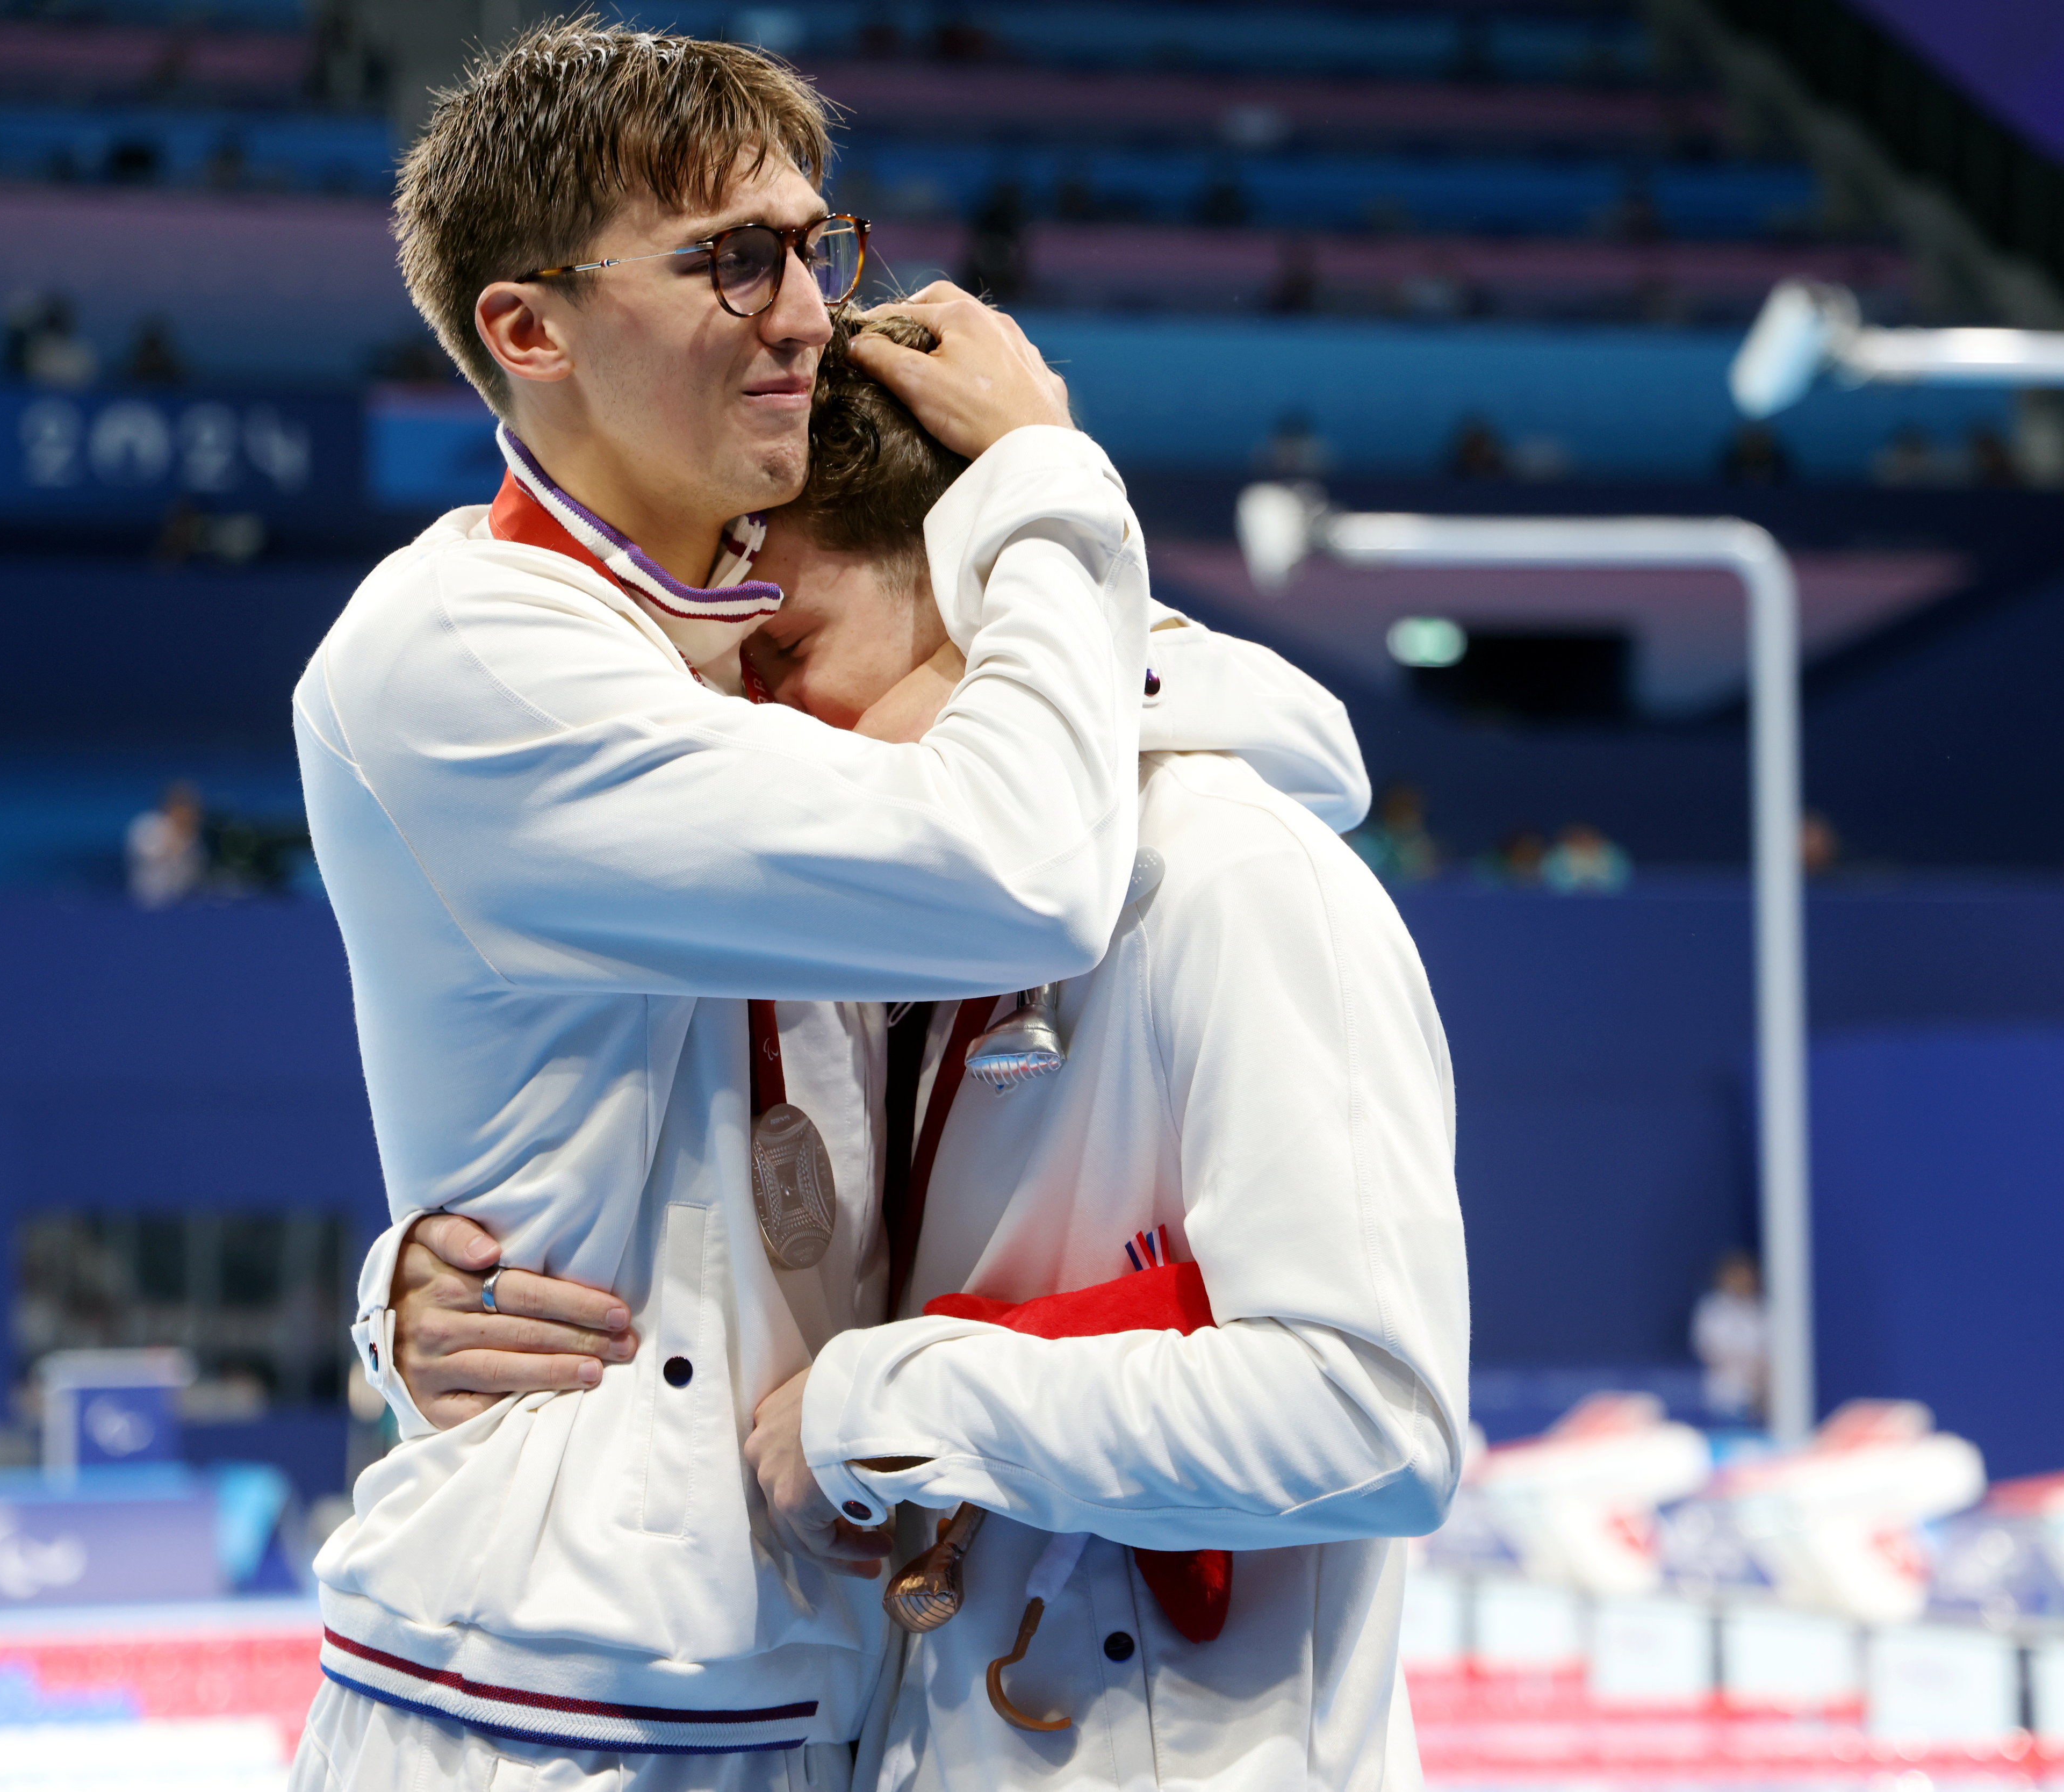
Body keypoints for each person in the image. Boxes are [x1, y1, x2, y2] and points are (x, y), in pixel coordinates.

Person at [290, 24, 1364, 1792]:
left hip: (811, 1680)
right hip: (547, 1710)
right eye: (729, 259)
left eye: (813, 245)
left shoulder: (731, 621)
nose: (800, 308)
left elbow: (1288, 738)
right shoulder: (467, 655)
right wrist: (1045, 483)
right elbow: (1028, 866)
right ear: (529, 329)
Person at [397, 311, 1467, 1789]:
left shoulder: (1238, 879)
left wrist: (884, 1404)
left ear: (976, 587)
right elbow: (720, 1236)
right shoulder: (877, 938)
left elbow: (1376, 1416)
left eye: (785, 649)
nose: (762, 720)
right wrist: (436, 1300)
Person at [1692, 1248, 1768, 1424]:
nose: (1741, 1280)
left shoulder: (1763, 1311)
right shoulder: (1712, 1309)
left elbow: (1769, 1354)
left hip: (1760, 1397)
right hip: (1724, 1395)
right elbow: (1708, 1350)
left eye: (1745, 1275)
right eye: (1735, 1275)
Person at [125, 780, 206, 908]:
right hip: (149, 902)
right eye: (183, 806)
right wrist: (176, 841)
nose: (189, 815)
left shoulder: (194, 837)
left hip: (182, 903)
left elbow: (194, 873)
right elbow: (148, 856)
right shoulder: (147, 824)